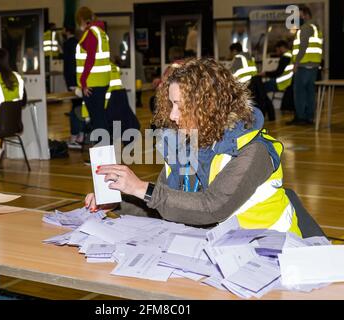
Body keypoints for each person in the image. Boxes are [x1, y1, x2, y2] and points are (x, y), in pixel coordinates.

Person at [84, 58, 302, 236]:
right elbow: (163, 206)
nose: (172, 115)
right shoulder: (185, 145)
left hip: (271, 250)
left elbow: (211, 207)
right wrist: (116, 203)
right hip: (221, 248)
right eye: (171, 105)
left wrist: (140, 188)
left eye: (179, 105)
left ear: (207, 106)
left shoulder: (254, 150)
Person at [75, 6, 111, 145]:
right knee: (100, 118)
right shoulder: (101, 32)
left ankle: (101, 155)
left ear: (82, 20)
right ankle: (105, 153)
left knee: (98, 121)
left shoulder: (90, 33)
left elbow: (90, 59)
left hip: (92, 84)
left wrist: (83, 82)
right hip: (101, 82)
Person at [287, 5, 323, 125]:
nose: (298, 18)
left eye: (299, 16)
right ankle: (309, 117)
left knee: (299, 92)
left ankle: (301, 117)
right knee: (310, 92)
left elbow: (303, 47)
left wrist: (296, 63)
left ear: (306, 15)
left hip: (303, 64)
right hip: (313, 65)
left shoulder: (306, 27)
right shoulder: (316, 27)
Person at [230, 43, 275, 121]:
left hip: (247, 82)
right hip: (256, 78)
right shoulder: (248, 56)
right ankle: (270, 116)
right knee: (262, 98)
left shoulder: (238, 57)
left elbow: (232, 72)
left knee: (250, 101)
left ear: (234, 50)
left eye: (231, 52)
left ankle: (250, 119)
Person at [63, 27, 85, 149]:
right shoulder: (80, 45)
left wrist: (71, 82)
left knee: (75, 110)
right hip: (81, 81)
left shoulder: (69, 44)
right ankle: (80, 135)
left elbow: (69, 65)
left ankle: (75, 136)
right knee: (80, 108)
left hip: (74, 81)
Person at [259, 40, 295, 113]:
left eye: (277, 50)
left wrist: (265, 73)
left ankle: (266, 108)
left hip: (281, 82)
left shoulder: (285, 57)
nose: (276, 52)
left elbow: (278, 73)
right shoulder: (291, 55)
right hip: (288, 81)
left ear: (281, 48)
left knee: (260, 88)